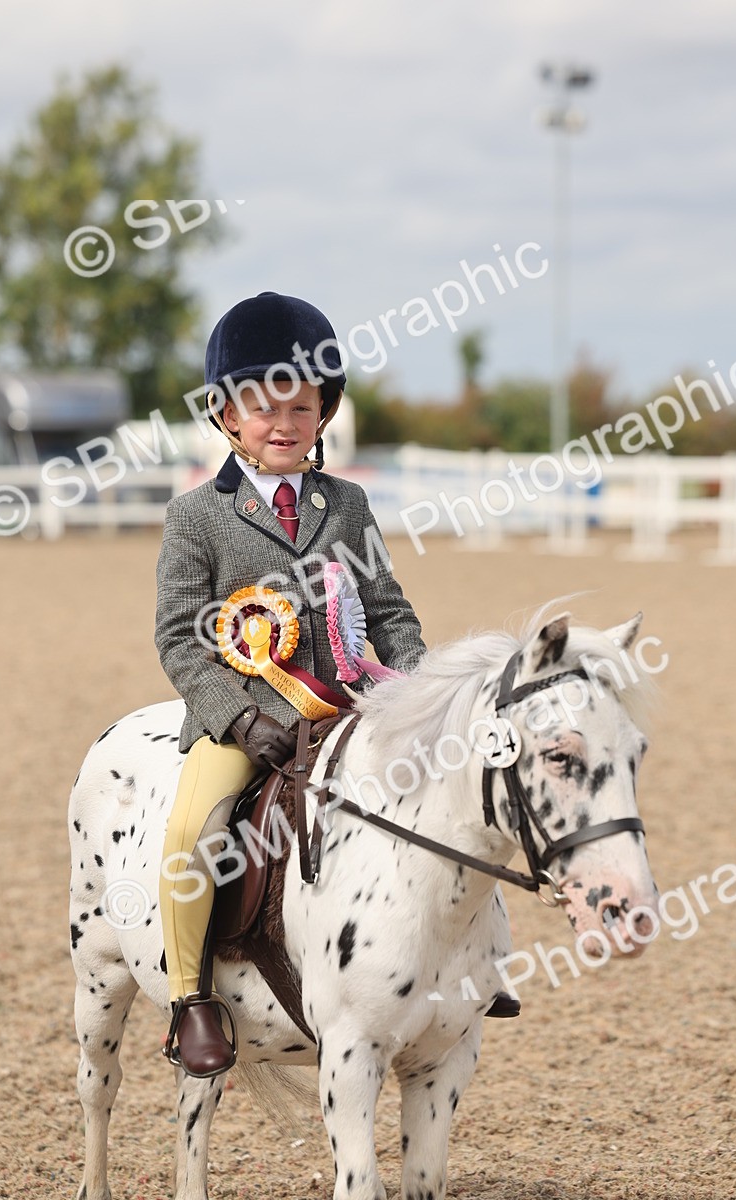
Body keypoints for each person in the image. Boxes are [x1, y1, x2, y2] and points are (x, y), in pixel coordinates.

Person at [154, 291, 427, 1078]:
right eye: (263, 408)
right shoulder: (196, 518)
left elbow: (389, 611)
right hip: (249, 719)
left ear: (322, 414)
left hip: (347, 710)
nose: (283, 424)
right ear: (227, 417)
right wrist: (237, 723)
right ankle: (190, 997)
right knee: (189, 836)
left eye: (300, 408)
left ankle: (452, 967)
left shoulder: (347, 504)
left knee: (443, 798)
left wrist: (416, 691)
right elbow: (179, 639)